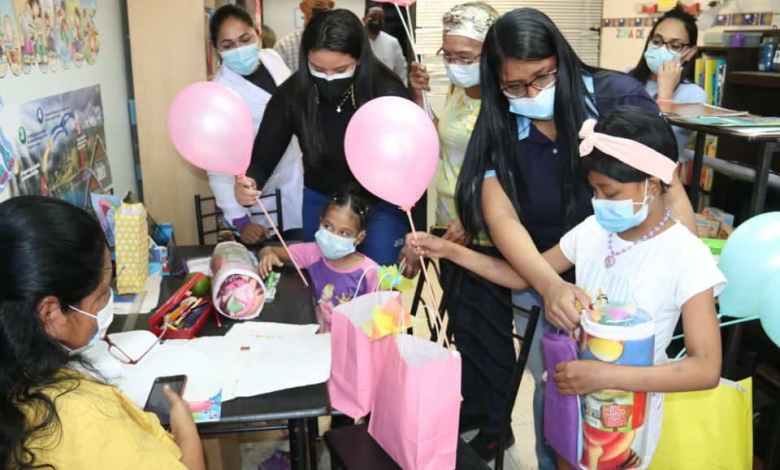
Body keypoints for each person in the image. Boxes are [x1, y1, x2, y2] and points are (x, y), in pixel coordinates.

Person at [411, 107, 724, 469]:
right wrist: (450, 252)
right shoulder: (594, 231)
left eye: (609, 191)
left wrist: (605, 375)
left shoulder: (686, 255)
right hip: (572, 393)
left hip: (625, 417)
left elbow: (705, 368)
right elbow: (522, 276)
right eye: (594, 189)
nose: (599, 201)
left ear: (652, 185)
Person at [453, 8, 697, 468]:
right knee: (561, 399)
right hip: (550, 266)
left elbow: (669, 187)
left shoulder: (616, 97)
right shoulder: (501, 122)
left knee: (623, 412)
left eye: (542, 77)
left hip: (628, 275)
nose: (531, 93)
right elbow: (500, 214)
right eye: (514, 86)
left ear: (561, 61)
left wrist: (683, 269)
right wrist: (548, 285)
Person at [0, 196, 205, 470]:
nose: (109, 301)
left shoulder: (20, 381)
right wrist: (186, 429)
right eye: (101, 294)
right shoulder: (81, 416)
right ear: (50, 313)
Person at [404, 2, 513, 460]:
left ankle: (498, 424)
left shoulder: (503, 100)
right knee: (460, 327)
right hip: (448, 224)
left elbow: (507, 170)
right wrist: (417, 96)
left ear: (490, 53)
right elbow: (437, 142)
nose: (456, 62)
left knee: (489, 330)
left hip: (485, 230)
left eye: (467, 55)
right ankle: (474, 405)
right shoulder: (456, 90)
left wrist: (473, 219)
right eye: (449, 53)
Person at [236, 9, 412, 266]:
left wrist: (413, 233)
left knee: (377, 287)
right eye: (318, 68)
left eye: (340, 69)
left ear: (360, 59)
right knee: (322, 281)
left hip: (379, 205)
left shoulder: (388, 91)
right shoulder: (294, 93)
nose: (328, 78)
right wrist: (250, 181)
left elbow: (411, 164)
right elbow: (264, 155)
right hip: (322, 201)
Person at [209, 5, 303, 244]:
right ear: (217, 49)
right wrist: (241, 221)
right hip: (260, 197)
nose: (239, 50)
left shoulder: (272, 59)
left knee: (305, 254)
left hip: (299, 178)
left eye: (245, 39)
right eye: (228, 46)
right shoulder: (218, 93)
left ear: (258, 33)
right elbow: (217, 167)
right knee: (273, 266)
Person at [259, 185, 378, 332]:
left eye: (345, 233)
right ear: (320, 222)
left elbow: (379, 317)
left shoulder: (370, 272)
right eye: (328, 226)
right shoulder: (313, 253)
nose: (333, 236)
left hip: (351, 343)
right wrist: (267, 254)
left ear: (359, 238)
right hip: (316, 338)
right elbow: (271, 250)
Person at [630, 4, 704, 162]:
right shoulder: (626, 78)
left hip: (656, 176)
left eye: (674, 46)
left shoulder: (694, 95)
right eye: (657, 41)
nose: (662, 49)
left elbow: (659, 144)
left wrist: (665, 92)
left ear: (690, 52)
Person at [274, 0, 334, 72]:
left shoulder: (341, 42)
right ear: (303, 7)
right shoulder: (284, 46)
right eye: (317, 7)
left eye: (324, 9)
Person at [364, 6, 407, 85]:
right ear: (364, 19)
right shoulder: (357, 40)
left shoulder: (392, 42)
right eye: (373, 16)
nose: (376, 20)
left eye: (380, 17)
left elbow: (400, 71)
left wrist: (400, 91)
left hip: (386, 91)